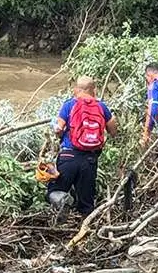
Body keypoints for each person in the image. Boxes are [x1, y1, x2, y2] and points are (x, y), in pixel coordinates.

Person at [46, 76, 116, 217]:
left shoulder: (69, 105)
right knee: (86, 203)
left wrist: (55, 128)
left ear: (76, 89)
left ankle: (63, 209)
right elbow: (113, 131)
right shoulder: (101, 106)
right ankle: (84, 231)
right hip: (90, 159)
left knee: (55, 192)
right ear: (93, 90)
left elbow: (58, 130)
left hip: (68, 155)